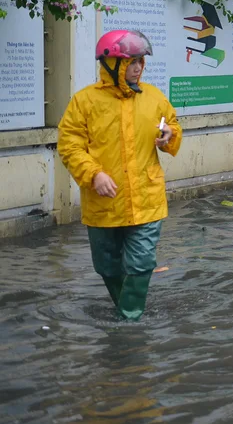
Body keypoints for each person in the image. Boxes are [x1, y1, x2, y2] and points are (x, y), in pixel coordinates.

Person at [57, 30, 182, 321]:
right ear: (111, 64)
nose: (138, 68)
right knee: (107, 265)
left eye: (140, 62)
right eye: (131, 62)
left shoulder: (154, 97)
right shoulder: (84, 102)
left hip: (146, 200)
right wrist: (94, 174)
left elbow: (171, 124)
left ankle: (128, 322)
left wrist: (170, 135)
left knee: (141, 263)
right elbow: (69, 145)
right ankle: (125, 313)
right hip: (103, 202)